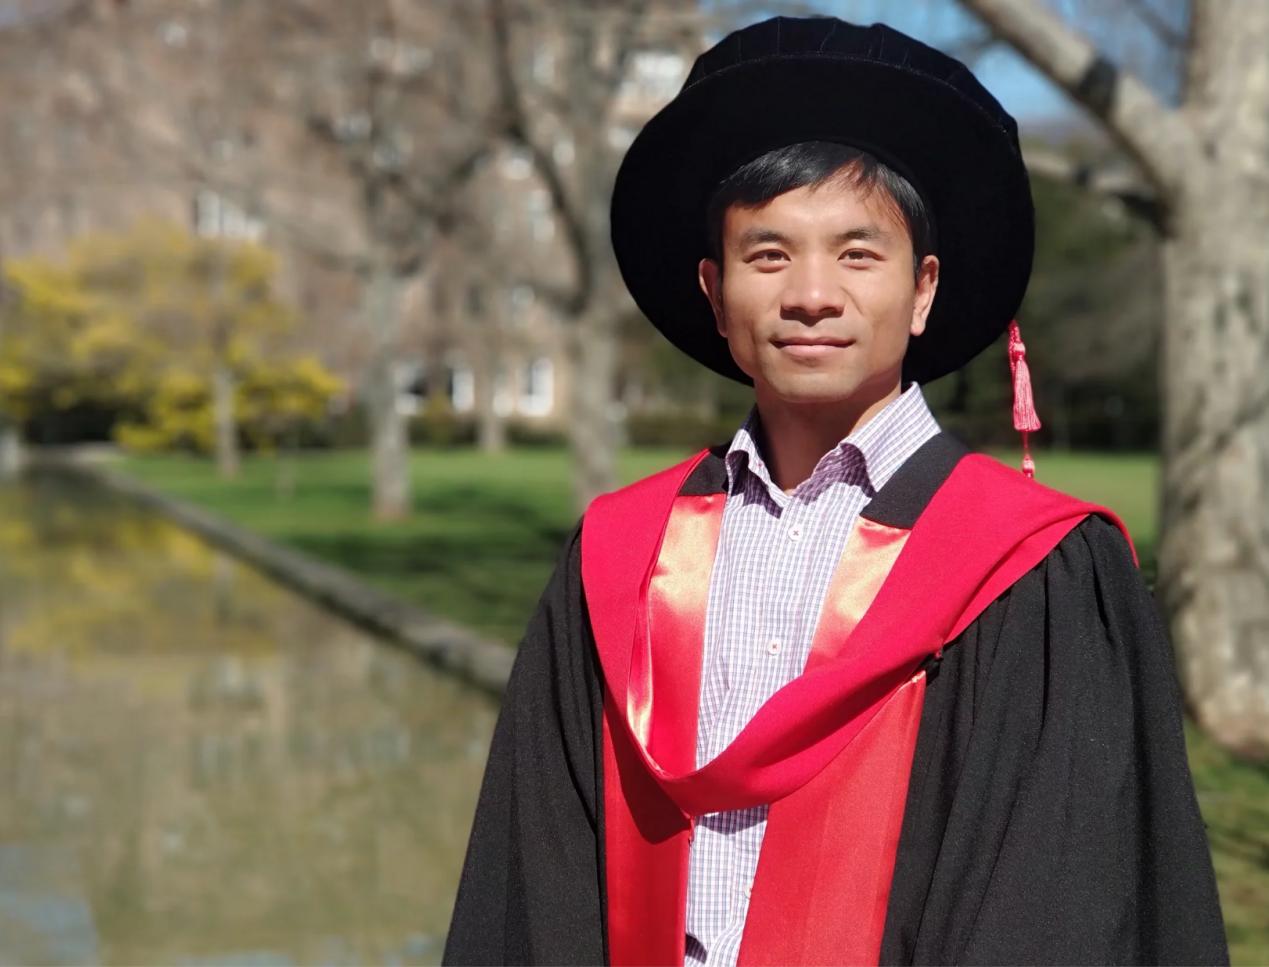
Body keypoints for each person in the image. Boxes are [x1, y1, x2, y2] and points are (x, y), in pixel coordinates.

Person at [444, 16, 1227, 967]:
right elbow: (537, 881)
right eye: (768, 255)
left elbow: (1051, 909)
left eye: (857, 254)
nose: (811, 294)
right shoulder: (621, 557)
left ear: (922, 289)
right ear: (714, 291)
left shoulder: (1033, 573)